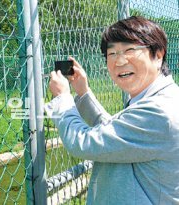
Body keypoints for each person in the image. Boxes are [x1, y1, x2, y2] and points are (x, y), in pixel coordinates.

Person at [45, 16, 179, 204]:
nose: (119, 61)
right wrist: (83, 92)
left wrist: (62, 98)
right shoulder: (159, 98)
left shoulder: (159, 111)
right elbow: (116, 136)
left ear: (158, 55)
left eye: (130, 50)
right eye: (112, 53)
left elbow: (83, 142)